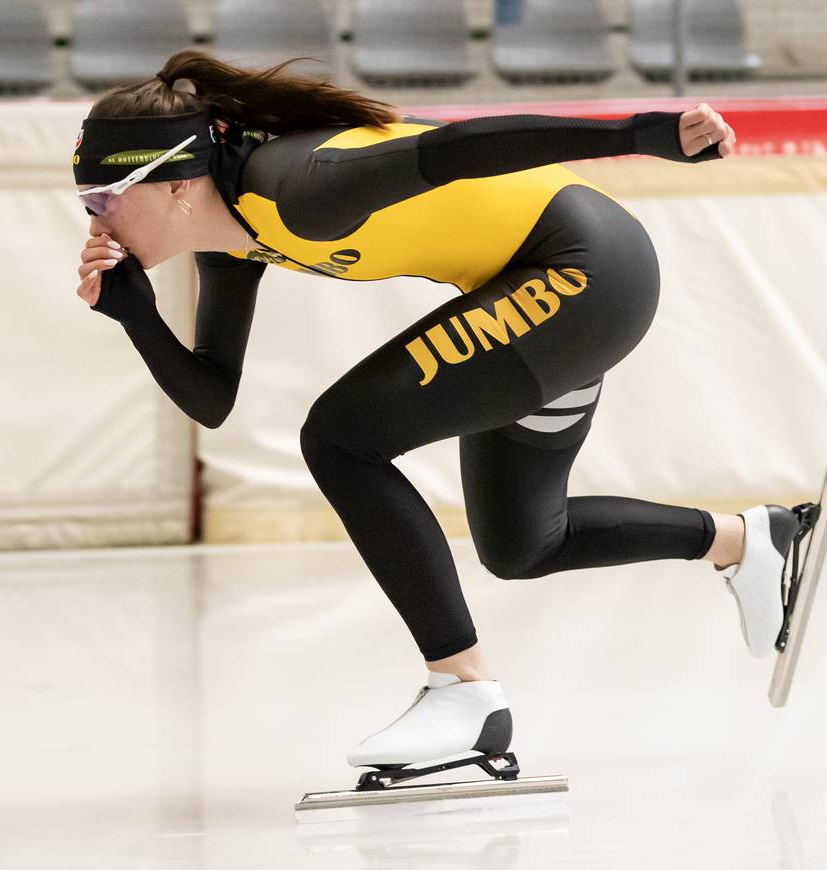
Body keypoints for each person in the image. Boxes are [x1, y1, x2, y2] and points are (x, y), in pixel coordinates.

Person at [73, 49, 799, 774]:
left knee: (339, 439)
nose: (95, 220)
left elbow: (459, 147)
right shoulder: (232, 243)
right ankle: (748, 541)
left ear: (174, 185)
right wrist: (138, 317)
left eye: (104, 197)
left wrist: (639, 135)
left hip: (582, 270)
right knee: (523, 545)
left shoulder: (295, 187)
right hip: (550, 286)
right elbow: (213, 398)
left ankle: (464, 691)